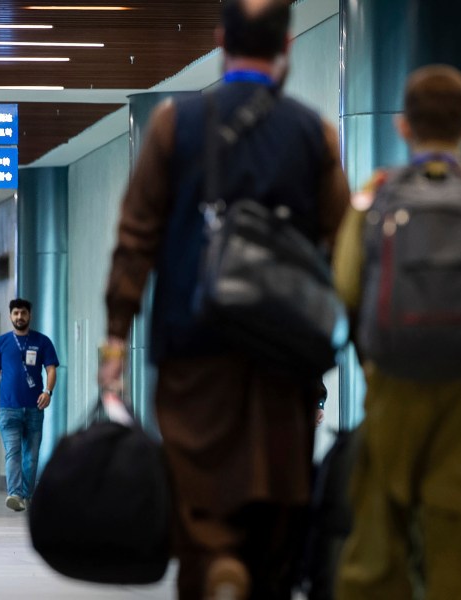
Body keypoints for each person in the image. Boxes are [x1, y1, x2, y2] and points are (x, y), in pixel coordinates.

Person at [98, 1, 350, 597]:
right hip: (285, 356)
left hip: (193, 348)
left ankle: (216, 566)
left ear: (219, 40)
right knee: (277, 496)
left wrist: (115, 338)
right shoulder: (314, 133)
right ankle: (254, 575)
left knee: (201, 496)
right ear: (286, 44)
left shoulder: (172, 124)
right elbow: (346, 250)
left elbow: (136, 239)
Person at [332, 66, 461, 599]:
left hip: (394, 390)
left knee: (377, 558)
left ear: (403, 127)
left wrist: (378, 361)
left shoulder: (376, 195)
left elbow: (347, 289)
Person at [0, 298, 59, 512]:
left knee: (31, 455)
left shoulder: (42, 341)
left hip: (35, 408)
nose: (19, 317)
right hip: (8, 409)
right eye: (15, 313)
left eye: (23, 313)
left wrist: (48, 392)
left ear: (29, 315)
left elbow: (51, 369)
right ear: (10, 316)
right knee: (12, 452)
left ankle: (27, 495)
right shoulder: (1, 343)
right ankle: (15, 493)